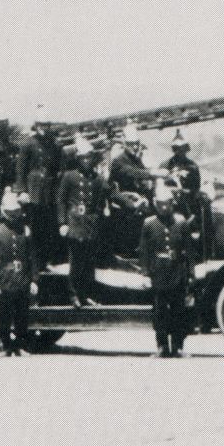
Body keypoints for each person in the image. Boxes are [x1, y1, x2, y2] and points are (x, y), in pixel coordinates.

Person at [140, 182, 196, 358]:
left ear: (172, 204)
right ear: (155, 204)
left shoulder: (181, 223)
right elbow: (144, 252)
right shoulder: (149, 224)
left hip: (177, 271)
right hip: (158, 272)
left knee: (179, 311)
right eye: (160, 204)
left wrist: (191, 274)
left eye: (167, 204)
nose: (164, 208)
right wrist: (145, 274)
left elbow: (189, 251)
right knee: (160, 312)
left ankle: (178, 347)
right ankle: (162, 346)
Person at [57, 137, 114, 308]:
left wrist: (131, 203)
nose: (86, 160)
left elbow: (110, 193)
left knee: (89, 263)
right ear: (78, 159)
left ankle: (87, 295)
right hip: (75, 223)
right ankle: (74, 295)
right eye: (83, 158)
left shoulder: (97, 179)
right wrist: (62, 223)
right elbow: (61, 200)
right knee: (76, 262)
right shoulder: (69, 177)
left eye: (89, 157)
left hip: (91, 224)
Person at [0, 189, 39, 356]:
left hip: (22, 277)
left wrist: (34, 280)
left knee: (22, 314)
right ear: (3, 211)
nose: (14, 215)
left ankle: (21, 345)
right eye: (10, 212)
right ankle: (6, 345)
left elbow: (33, 258)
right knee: (5, 315)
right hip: (5, 278)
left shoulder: (26, 230)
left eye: (16, 211)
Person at [108, 123, 166, 255]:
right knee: (134, 209)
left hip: (135, 194)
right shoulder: (118, 161)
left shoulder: (135, 159)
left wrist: (157, 173)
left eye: (136, 143)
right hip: (119, 197)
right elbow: (132, 172)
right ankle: (130, 251)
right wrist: (153, 173)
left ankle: (147, 248)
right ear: (125, 144)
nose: (134, 146)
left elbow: (141, 170)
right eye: (130, 144)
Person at [15, 103, 62, 266]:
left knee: (50, 224)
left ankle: (50, 258)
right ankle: (37, 261)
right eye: (41, 125)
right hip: (34, 190)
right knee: (35, 226)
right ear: (36, 125)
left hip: (50, 190)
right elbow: (20, 170)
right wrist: (21, 191)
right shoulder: (28, 144)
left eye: (47, 125)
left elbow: (59, 168)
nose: (44, 128)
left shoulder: (55, 145)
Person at [159, 129, 201, 219]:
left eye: (182, 149)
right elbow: (159, 184)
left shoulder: (192, 166)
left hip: (188, 200)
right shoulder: (165, 165)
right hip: (169, 200)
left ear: (186, 149)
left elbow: (196, 187)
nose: (180, 152)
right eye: (177, 149)